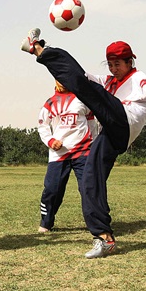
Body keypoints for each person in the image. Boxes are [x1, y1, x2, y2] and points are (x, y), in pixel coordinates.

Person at [20, 28, 146, 259]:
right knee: (90, 181)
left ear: (130, 62)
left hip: (122, 120)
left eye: (118, 64)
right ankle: (104, 237)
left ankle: (39, 49)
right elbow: (82, 78)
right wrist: (80, 79)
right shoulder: (109, 82)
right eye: (110, 64)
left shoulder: (137, 77)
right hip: (111, 135)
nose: (113, 69)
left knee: (83, 87)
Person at [36, 80, 97, 233]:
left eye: (64, 78)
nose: (62, 82)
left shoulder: (82, 100)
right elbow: (42, 126)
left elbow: (92, 123)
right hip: (59, 153)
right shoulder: (50, 103)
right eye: (58, 79)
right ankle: (46, 222)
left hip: (83, 151)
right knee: (52, 189)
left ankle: (97, 224)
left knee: (88, 188)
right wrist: (50, 141)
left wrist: (94, 144)